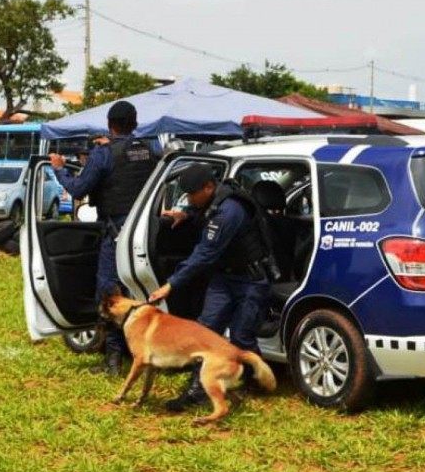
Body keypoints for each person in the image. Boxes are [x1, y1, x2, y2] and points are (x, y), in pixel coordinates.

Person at [147, 164, 274, 412]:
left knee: (242, 337)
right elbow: (205, 216)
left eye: (193, 194)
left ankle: (248, 383)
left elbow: (205, 253)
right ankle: (197, 390)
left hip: (250, 281)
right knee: (204, 333)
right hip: (224, 279)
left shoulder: (230, 211)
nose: (190, 199)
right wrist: (188, 216)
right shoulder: (212, 204)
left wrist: (171, 285)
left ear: (208, 187)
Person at [48, 100, 158, 376]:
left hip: (116, 232)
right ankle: (145, 351)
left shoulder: (103, 153)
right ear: (135, 123)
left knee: (110, 293)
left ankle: (113, 360)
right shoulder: (151, 149)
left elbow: (78, 188)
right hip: (146, 231)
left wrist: (59, 168)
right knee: (140, 292)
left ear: (110, 125)